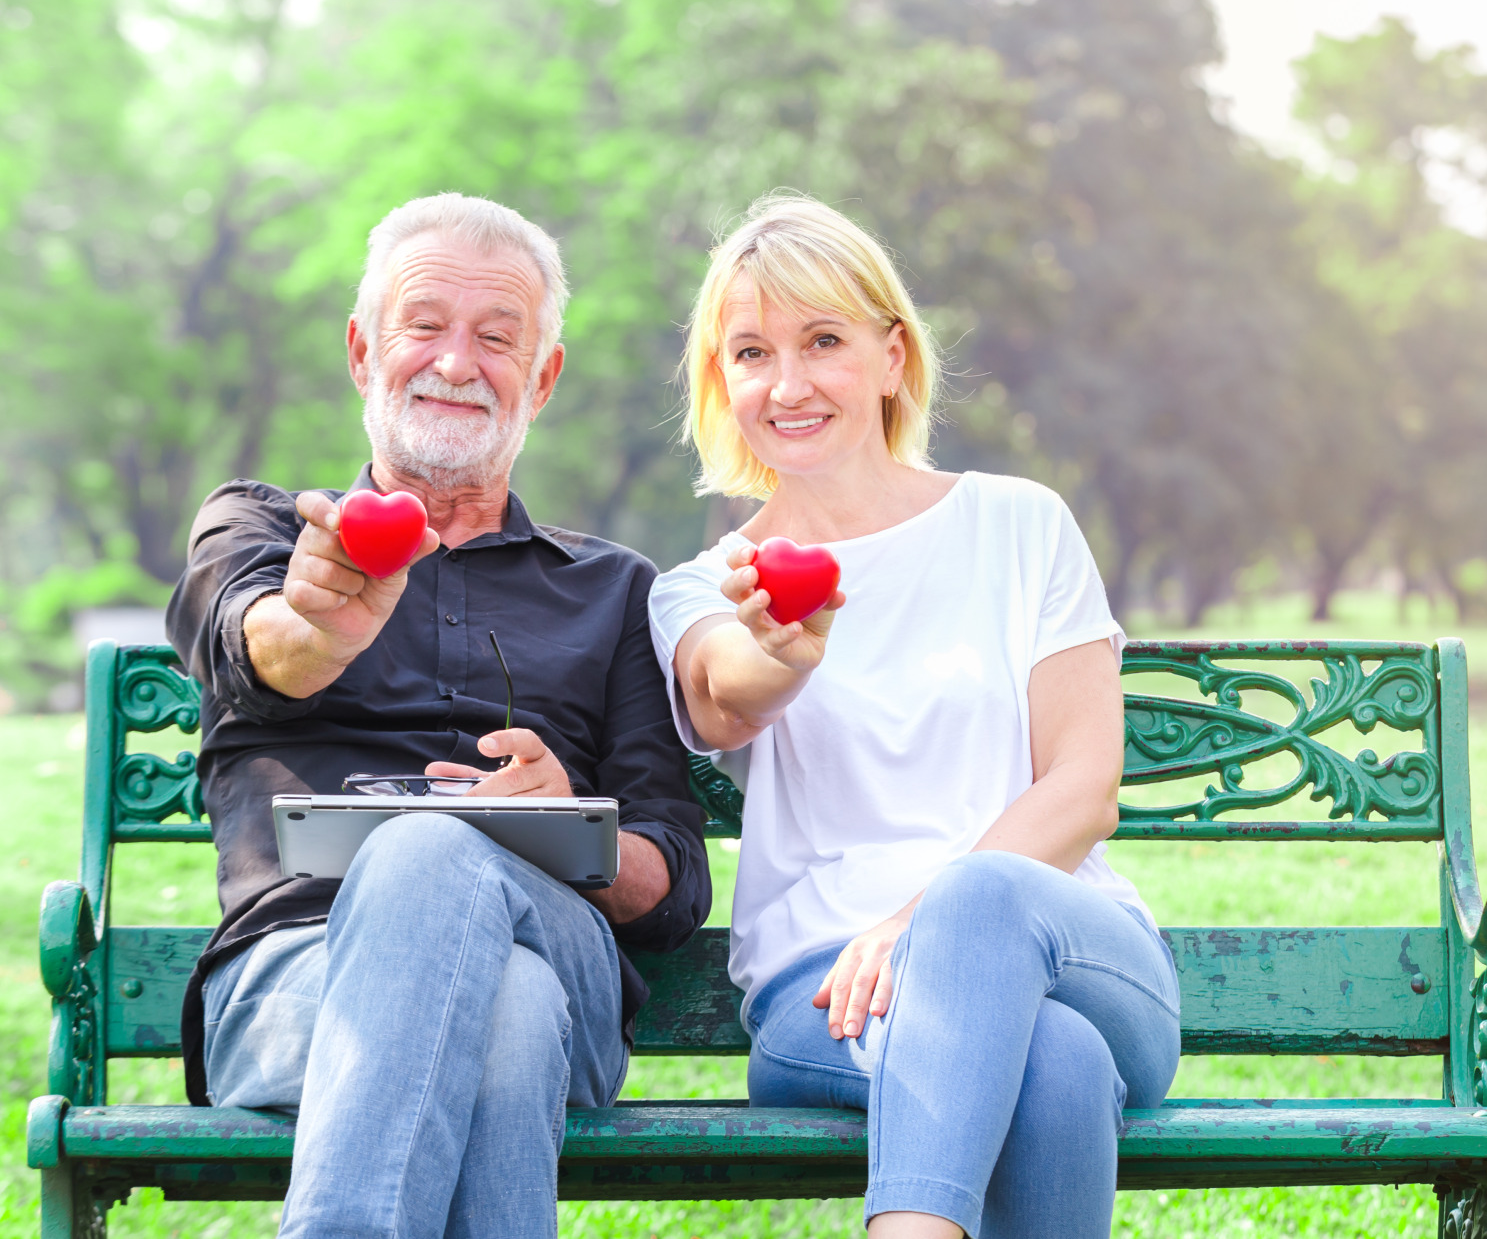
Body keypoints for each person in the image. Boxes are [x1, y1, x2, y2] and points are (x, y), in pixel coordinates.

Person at [166, 193, 712, 1239]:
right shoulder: (265, 532)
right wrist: (320, 626)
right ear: (364, 351)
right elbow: (258, 645)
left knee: (433, 860)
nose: (456, 363)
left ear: (541, 379)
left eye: (496, 337)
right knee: (500, 1016)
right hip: (292, 978)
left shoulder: (614, 590)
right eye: (424, 327)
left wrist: (568, 825)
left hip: (563, 961)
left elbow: (673, 886)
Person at [649, 194, 1178, 1239]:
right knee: (1057, 1064)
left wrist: (918, 929)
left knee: (984, 899)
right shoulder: (707, 588)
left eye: (823, 341)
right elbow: (721, 696)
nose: (787, 383)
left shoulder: (1018, 524)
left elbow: (1081, 786)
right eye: (751, 352)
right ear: (723, 382)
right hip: (827, 994)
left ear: (891, 357)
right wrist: (780, 656)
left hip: (1074, 946)